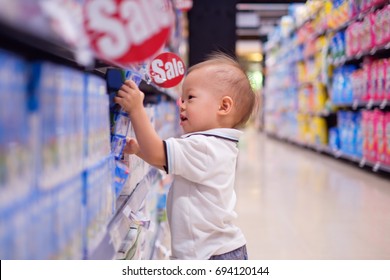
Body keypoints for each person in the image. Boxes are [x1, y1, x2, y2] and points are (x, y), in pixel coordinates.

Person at [115, 52, 257, 260]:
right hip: (215, 252)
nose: (181, 104)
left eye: (190, 97)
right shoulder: (214, 143)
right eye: (182, 98)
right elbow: (162, 160)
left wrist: (137, 109)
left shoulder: (205, 146)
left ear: (224, 106)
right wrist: (139, 151)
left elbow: (157, 152)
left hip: (210, 256)